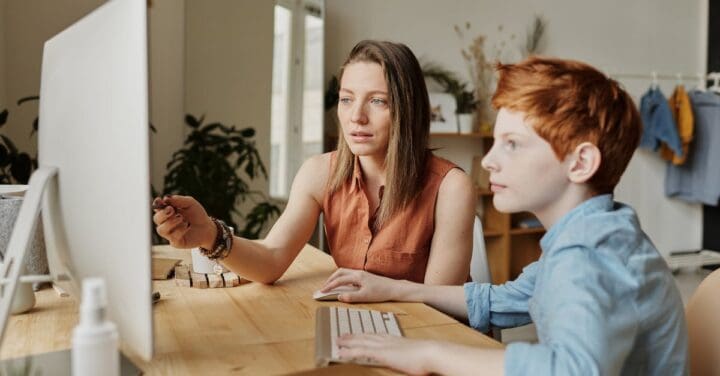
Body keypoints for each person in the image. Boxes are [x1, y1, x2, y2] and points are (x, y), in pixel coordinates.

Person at [319, 57, 689, 375]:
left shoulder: (590, 255)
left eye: (511, 144)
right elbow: (502, 301)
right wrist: (394, 289)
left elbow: (572, 370)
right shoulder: (594, 234)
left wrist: (431, 353)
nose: (491, 160)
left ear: (581, 163)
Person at [152, 40, 475, 285]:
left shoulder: (451, 187)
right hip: (360, 329)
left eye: (378, 101)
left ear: (408, 110)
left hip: (426, 342)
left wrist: (375, 292)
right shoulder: (320, 172)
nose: (356, 117)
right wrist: (209, 234)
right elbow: (271, 259)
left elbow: (440, 307)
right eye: (347, 99)